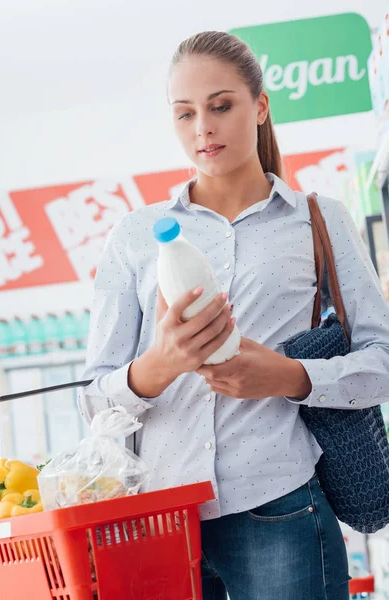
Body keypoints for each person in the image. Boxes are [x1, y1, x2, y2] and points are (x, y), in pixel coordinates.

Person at [78, 31, 389, 600]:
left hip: (281, 509)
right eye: (185, 113)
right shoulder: (136, 237)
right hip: (160, 522)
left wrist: (290, 376)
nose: (203, 128)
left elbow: (383, 361)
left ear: (261, 106)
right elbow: (93, 398)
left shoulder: (319, 220)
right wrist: (160, 365)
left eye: (221, 106)